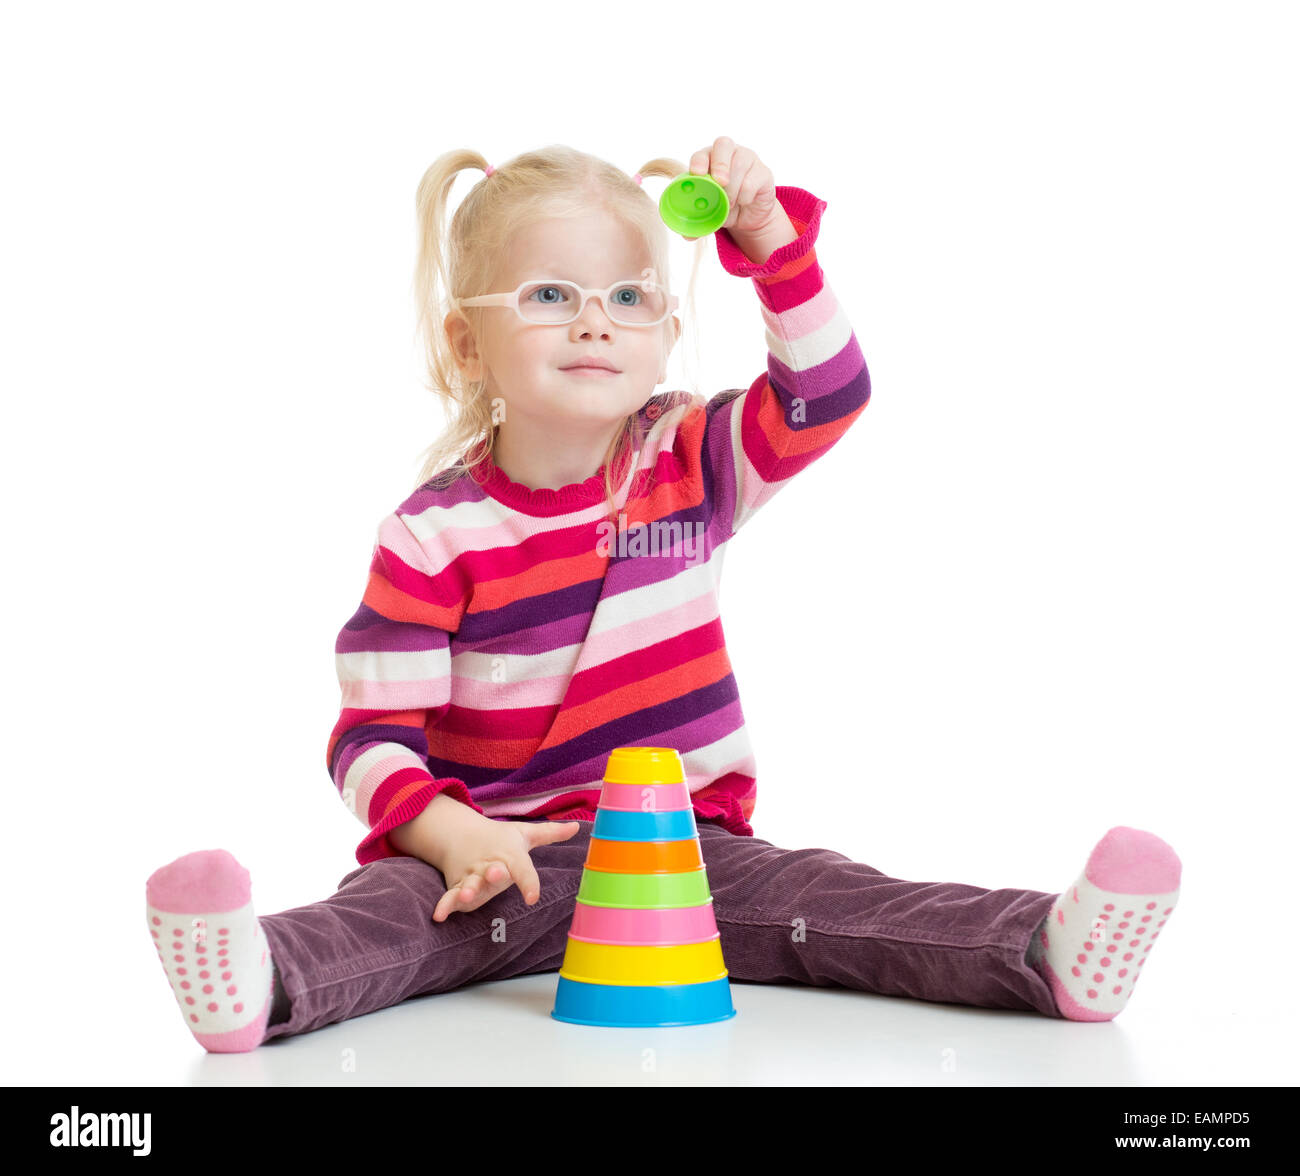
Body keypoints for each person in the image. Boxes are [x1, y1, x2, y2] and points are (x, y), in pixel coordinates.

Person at [145, 137, 1181, 1052]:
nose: (596, 323)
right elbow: (370, 738)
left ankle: (1043, 948)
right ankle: (262, 977)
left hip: (684, 849)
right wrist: (451, 835)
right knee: (384, 920)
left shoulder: (688, 460)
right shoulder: (432, 535)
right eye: (551, 296)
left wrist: (772, 242)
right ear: (469, 344)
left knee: (839, 904)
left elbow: (829, 394)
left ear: (664, 329)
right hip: (509, 860)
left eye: (628, 298)